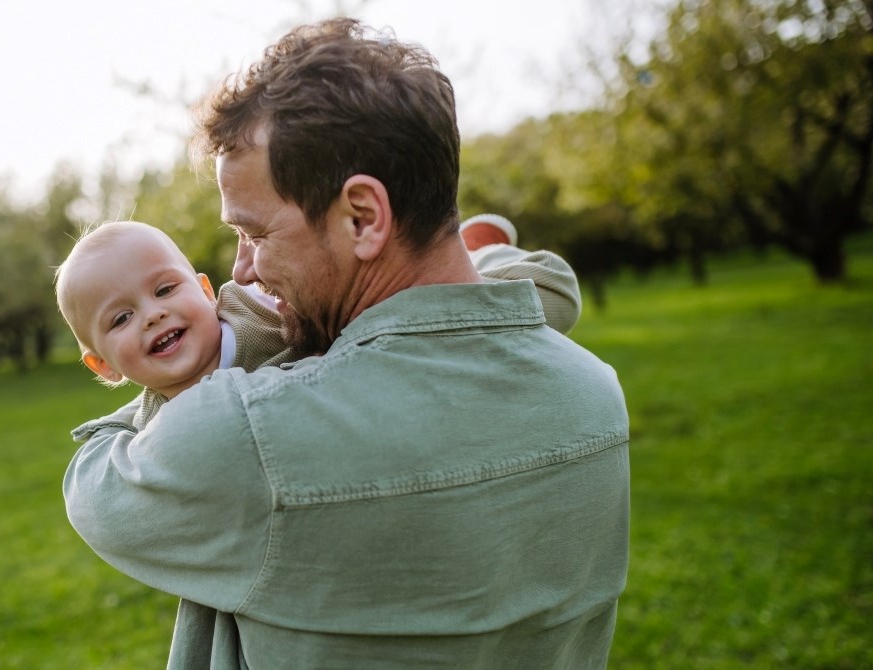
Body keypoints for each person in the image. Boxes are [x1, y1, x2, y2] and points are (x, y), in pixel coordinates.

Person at [64, 17, 629, 669]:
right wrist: (488, 260)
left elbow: (95, 479)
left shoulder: (246, 438)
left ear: (362, 218)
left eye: (256, 233)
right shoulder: (594, 394)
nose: (242, 272)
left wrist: (216, 349)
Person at [54, 218, 582, 428]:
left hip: (409, 307)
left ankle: (469, 251)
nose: (154, 314)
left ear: (206, 291)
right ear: (102, 365)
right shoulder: (151, 433)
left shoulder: (263, 314)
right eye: (122, 317)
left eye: (165, 289)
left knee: (528, 300)